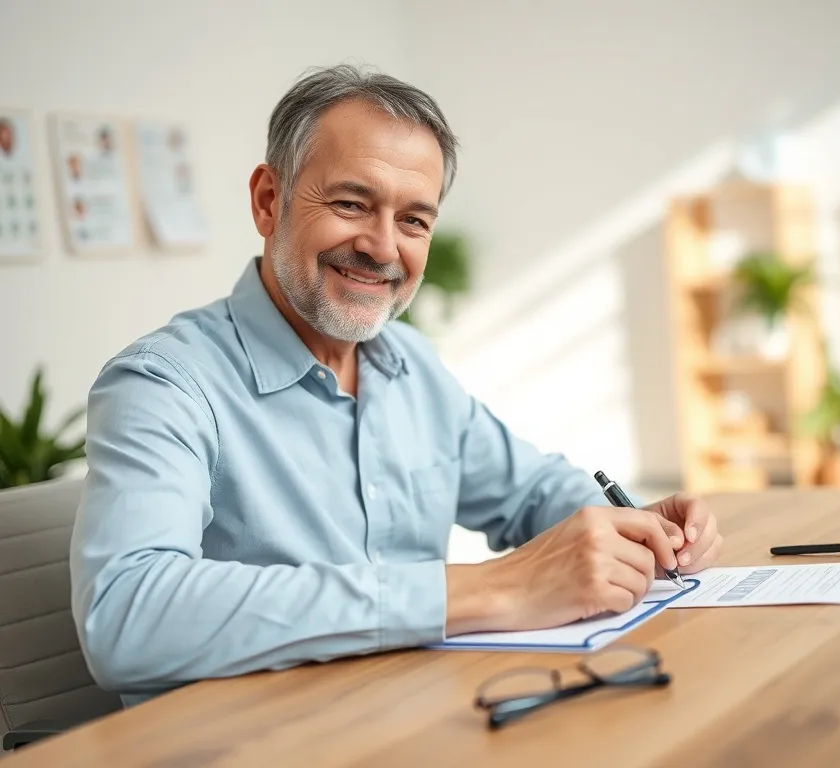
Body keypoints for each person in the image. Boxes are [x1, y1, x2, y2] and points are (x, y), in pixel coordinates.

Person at [70, 65, 723, 705]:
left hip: (413, 715)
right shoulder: (164, 384)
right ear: (269, 201)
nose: (383, 248)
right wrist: (489, 589)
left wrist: (634, 528)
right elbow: (126, 616)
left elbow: (530, 493)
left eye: (414, 220)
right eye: (351, 204)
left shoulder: (409, 364)